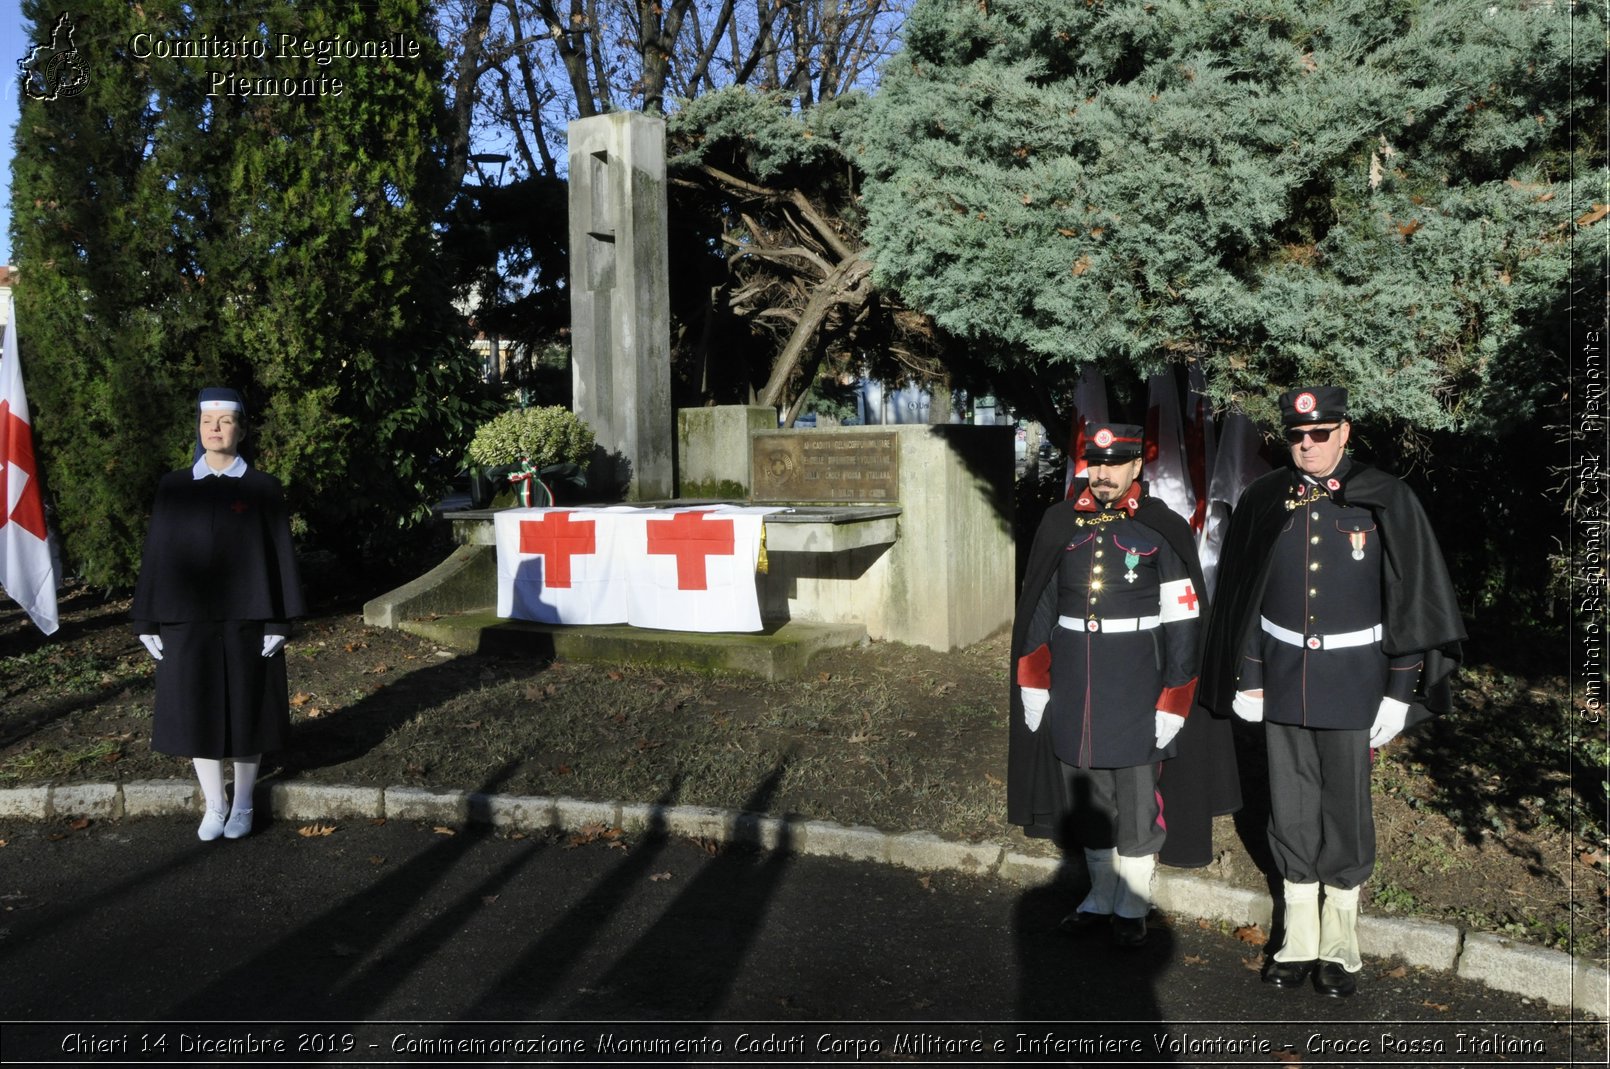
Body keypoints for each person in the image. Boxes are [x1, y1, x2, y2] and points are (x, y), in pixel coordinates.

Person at [1199, 386, 1464, 997]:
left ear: (1345, 432)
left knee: (1345, 805)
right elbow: (1248, 600)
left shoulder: (1385, 498)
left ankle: (1341, 936)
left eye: (1320, 434)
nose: (1308, 445)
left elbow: (1408, 603)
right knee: (1289, 803)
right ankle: (1299, 933)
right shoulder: (1265, 498)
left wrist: (1400, 691)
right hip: (1284, 679)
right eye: (1297, 435)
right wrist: (1251, 676)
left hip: (1354, 682)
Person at [1008, 423, 1207, 946]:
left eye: (1115, 464)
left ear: (1136, 466)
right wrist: (1033, 679)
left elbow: (1184, 617)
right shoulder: (1062, 523)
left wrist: (1176, 696)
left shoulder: (1159, 528)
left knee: (1137, 795)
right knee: (1088, 790)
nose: (1103, 475)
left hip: (1138, 680)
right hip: (1075, 679)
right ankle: (1100, 895)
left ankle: (1134, 902)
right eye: (1094, 464)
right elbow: (1040, 604)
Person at [132, 388, 305, 842]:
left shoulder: (262, 488)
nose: (214, 427)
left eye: (225, 420)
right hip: (186, 620)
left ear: (241, 429)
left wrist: (280, 619)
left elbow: (280, 554)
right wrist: (145, 619)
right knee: (197, 711)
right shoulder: (174, 486)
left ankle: (244, 803)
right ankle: (215, 804)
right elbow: (157, 555)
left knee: (249, 709)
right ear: (198, 427)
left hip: (249, 618)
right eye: (207, 420)